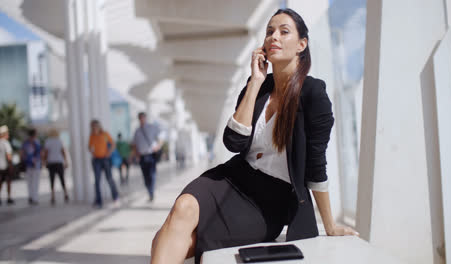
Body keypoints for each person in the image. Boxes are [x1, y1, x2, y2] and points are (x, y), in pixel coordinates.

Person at [150, 9, 359, 264]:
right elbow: (233, 142)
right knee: (183, 207)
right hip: (235, 177)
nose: (274, 37)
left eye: (284, 31)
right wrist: (256, 82)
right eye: (270, 31)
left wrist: (330, 225)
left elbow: (316, 165)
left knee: (169, 238)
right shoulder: (258, 87)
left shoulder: (314, 94)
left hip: (272, 200)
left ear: (301, 45)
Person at [88, 119, 119, 208]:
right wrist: (93, 152)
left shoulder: (105, 134)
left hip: (105, 159)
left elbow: (113, 144)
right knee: (97, 181)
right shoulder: (92, 136)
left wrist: (108, 153)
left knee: (109, 179)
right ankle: (99, 201)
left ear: (99, 126)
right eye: (92, 126)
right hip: (96, 160)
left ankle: (115, 197)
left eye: (95, 126)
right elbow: (89, 146)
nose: (94, 128)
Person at [132, 112, 161, 202]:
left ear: (145, 118)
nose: (142, 119)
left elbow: (161, 136)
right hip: (142, 156)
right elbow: (134, 144)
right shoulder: (137, 131)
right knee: (145, 176)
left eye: (143, 117)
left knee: (152, 174)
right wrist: (136, 154)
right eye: (140, 118)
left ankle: (151, 192)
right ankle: (150, 192)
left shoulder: (152, 127)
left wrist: (158, 146)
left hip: (151, 155)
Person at [43, 129, 69, 204]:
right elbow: (63, 151)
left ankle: (53, 196)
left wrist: (44, 161)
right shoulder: (59, 141)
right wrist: (66, 161)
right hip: (59, 162)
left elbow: (46, 152)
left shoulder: (48, 141)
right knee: (62, 179)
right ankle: (66, 194)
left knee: (52, 180)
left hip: (51, 162)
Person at [21, 128, 41, 205]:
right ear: (34, 134)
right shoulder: (36, 142)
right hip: (35, 164)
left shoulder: (25, 143)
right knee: (35, 182)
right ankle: (34, 198)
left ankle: (31, 196)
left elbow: (22, 154)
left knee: (29, 182)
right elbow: (39, 153)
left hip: (28, 164)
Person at [0, 125, 14, 205]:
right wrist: (11, 165)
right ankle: (9, 198)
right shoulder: (6, 143)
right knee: (8, 182)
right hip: (5, 166)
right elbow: (9, 156)